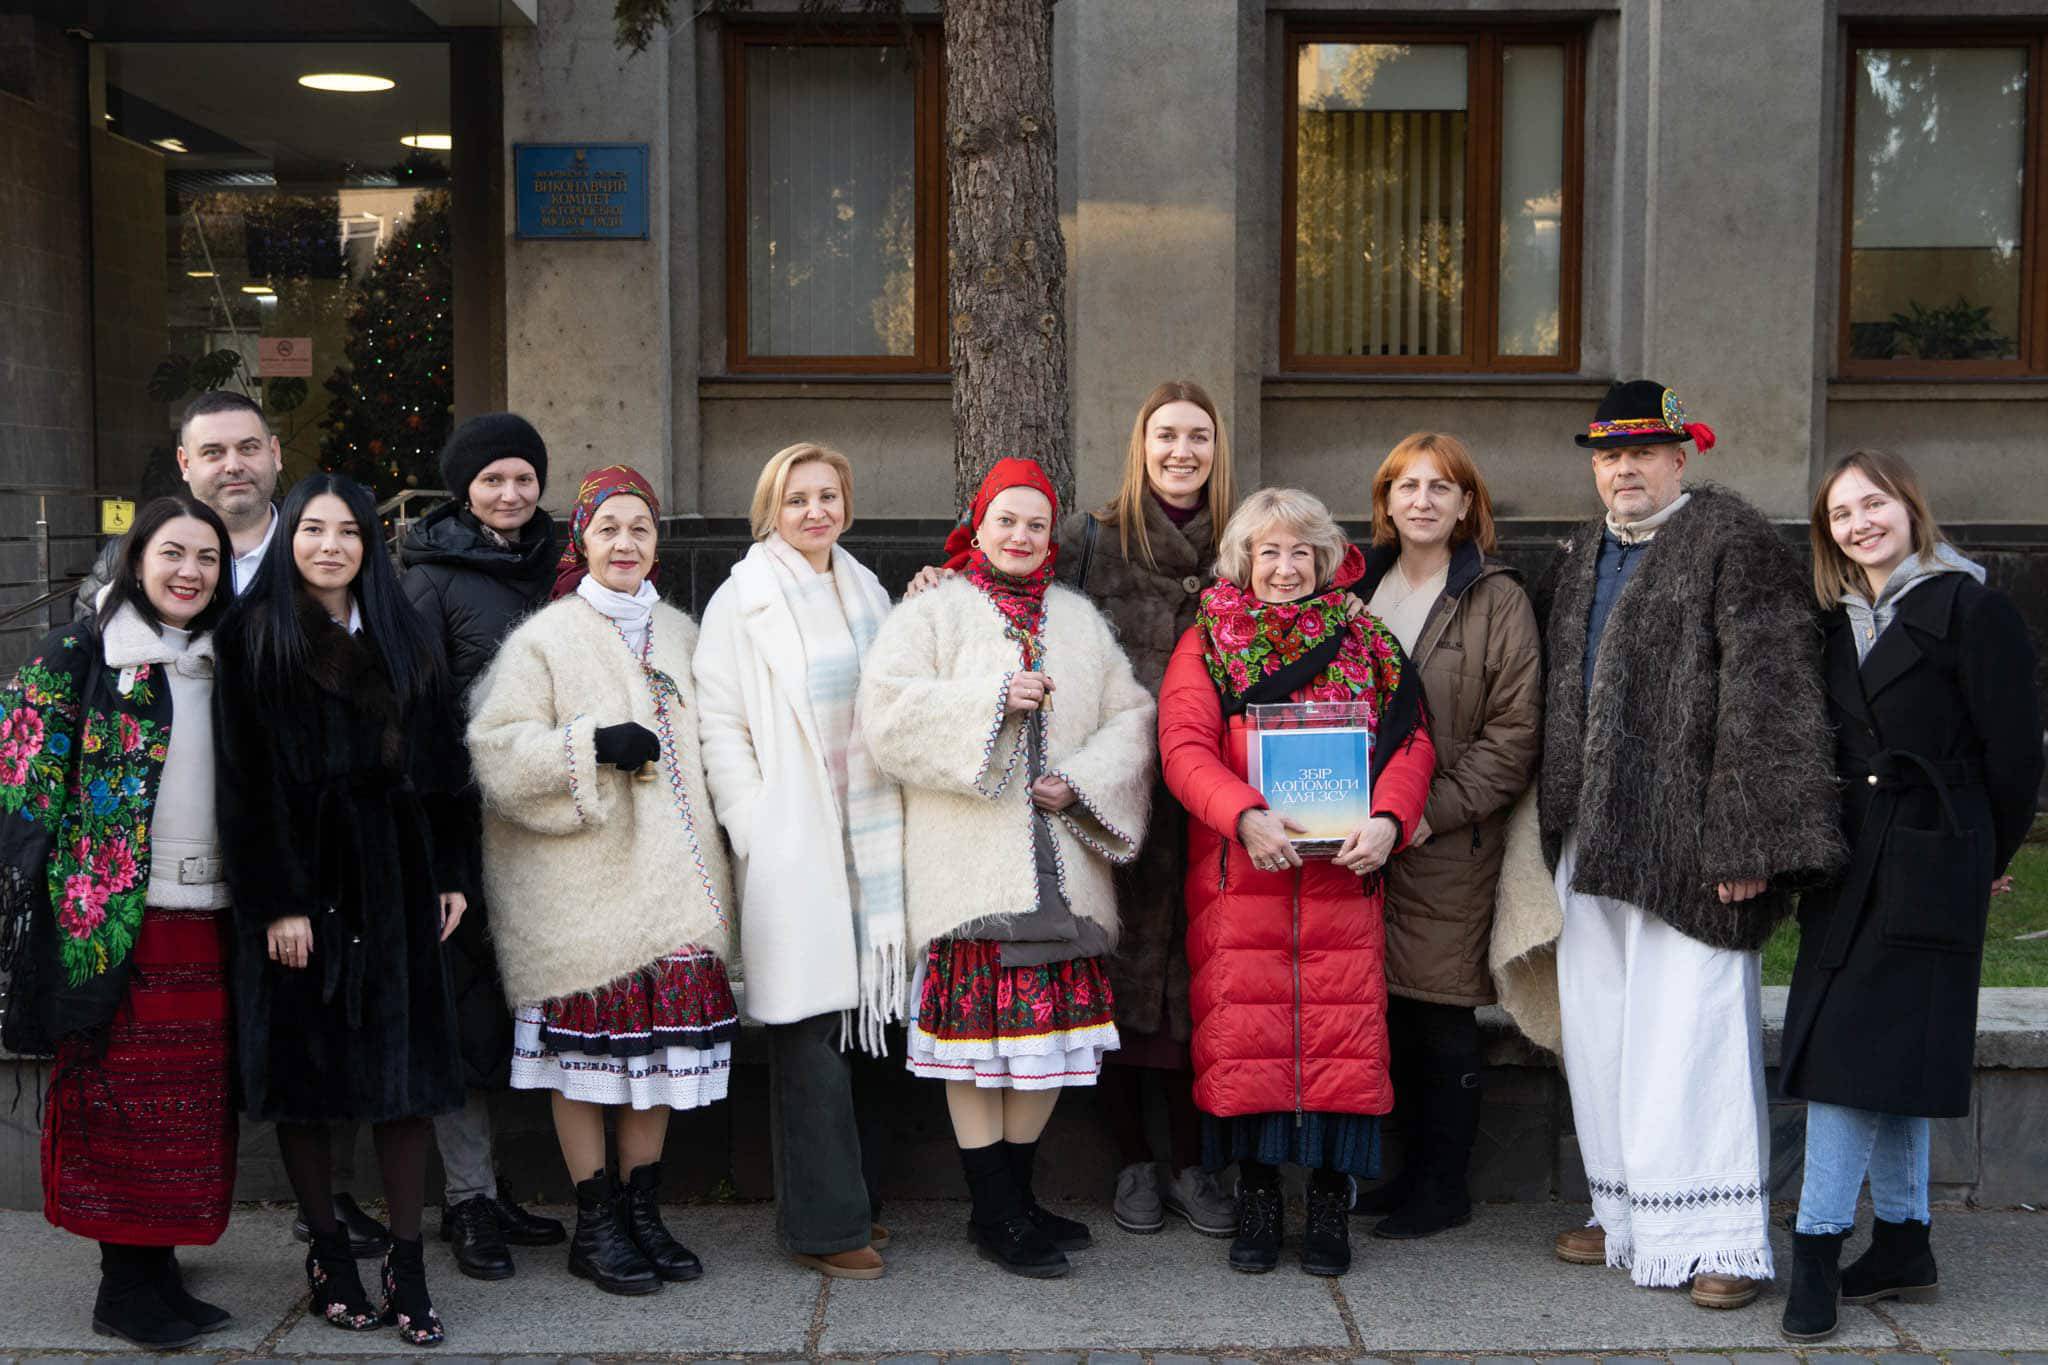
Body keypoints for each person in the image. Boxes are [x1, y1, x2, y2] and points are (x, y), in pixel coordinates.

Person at [1533, 380, 1841, 1308]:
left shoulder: (1732, 541)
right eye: (1608, 455)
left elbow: (1772, 695)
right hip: (1594, 832)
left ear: (1681, 457)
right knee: (1604, 1031)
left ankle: (1721, 1239)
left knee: (1693, 1033)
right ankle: (1625, 1209)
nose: (1624, 468)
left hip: (1694, 842)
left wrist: (1748, 836)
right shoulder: (1587, 550)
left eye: (1642, 452)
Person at [858, 458, 1155, 1280]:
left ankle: (1018, 1198)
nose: (1021, 536)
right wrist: (994, 699)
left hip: (1060, 873)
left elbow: (1134, 716)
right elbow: (885, 713)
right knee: (980, 1049)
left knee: (1044, 1046)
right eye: (1006, 521)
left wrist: (1083, 780)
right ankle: (993, 1210)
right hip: (972, 875)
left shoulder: (1078, 618)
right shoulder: (935, 610)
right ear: (978, 523)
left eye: (1035, 524)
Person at [1776, 452, 2042, 1342]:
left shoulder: (1972, 605)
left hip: (1930, 856)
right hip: (1847, 860)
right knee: (1879, 1058)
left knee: (1852, 1062)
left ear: (1908, 506)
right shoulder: (1831, 619)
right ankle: (1905, 1242)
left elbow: (2016, 758)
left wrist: (1979, 856)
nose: (1860, 523)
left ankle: (1815, 1248)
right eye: (1841, 513)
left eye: (1874, 502)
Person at [466, 465, 737, 1298]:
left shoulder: (687, 636)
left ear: (658, 542)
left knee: (656, 1058)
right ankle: (596, 1221)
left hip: (676, 888)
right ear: (582, 538)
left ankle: (642, 1208)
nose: (626, 543)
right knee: (586, 1059)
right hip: (582, 889)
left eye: (640, 529)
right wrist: (588, 744)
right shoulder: (544, 639)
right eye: (609, 528)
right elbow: (497, 748)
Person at [214, 472, 471, 1346]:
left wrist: (452, 871)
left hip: (397, 872)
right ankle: (328, 1249)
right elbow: (245, 785)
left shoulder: (403, 630)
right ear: (289, 542)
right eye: (313, 530)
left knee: (406, 1079)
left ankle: (408, 1258)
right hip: (306, 876)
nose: (331, 545)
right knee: (311, 1077)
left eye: (349, 531)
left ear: (371, 542)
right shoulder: (255, 634)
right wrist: (277, 903)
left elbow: (440, 764)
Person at [1157, 487, 1436, 1278]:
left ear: (1324, 560)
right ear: (1245, 558)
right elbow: (1182, 746)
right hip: (1245, 877)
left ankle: (1325, 1200)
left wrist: (1388, 817)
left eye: (1300, 552)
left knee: (1338, 1040)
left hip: (1343, 880)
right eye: (1269, 551)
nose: (1284, 568)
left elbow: (1413, 739)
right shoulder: (1207, 640)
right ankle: (1256, 1196)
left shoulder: (1366, 638)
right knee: (1250, 1041)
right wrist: (1242, 813)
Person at [2, 496, 238, 1348]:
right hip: (111, 922)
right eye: (172, 552)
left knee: (185, 1106)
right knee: (121, 1107)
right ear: (136, 558)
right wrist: (32, 895)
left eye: (207, 558)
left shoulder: (224, 654)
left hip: (206, 914)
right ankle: (121, 1286)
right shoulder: (83, 647)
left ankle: (159, 1269)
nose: (189, 571)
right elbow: (22, 763)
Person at [695, 443, 905, 1280]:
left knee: (870, 1031)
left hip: (872, 841)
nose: (815, 511)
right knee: (811, 1036)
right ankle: (823, 1227)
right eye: (797, 499)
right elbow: (721, 726)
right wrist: (759, 828)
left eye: (828, 495)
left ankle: (857, 1202)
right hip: (796, 839)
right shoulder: (740, 599)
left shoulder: (866, 587)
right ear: (770, 509)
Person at [1062, 381, 1239, 1238]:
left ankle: (1199, 1165)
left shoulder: (1245, 541)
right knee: (1121, 981)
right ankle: (1135, 1160)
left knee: (1209, 987)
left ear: (1217, 446)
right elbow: (1012, 601)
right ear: (1141, 443)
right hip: (1120, 805)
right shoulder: (1093, 541)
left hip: (1221, 807)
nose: (1182, 451)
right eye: (1166, 434)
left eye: (1197, 436)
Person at [1355, 433, 1542, 1239]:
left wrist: (1431, 811)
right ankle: (1402, 1173)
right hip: (1357, 840)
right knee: (1384, 1013)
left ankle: (1443, 1187)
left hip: (1446, 837)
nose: (1423, 500)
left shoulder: (1496, 598)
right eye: (1407, 485)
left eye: (1442, 487)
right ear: (1386, 501)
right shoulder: (1358, 586)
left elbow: (1514, 733)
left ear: (1468, 504)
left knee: (1438, 1015)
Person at [399, 412, 567, 1279]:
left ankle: (493, 1186)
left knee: (508, 1010)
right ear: (463, 487)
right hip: (462, 829)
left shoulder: (559, 567)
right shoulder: (427, 580)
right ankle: (465, 1201)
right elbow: (420, 726)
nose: (509, 494)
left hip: (543, 827)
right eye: (492, 479)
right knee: (462, 1013)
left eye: (524, 479)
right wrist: (439, 855)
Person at [77, 390, 283, 614]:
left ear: (274, 453)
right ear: (185, 464)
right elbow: (83, 644)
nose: (233, 465)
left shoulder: (317, 550)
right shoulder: (130, 553)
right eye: (213, 452)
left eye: (248, 448)